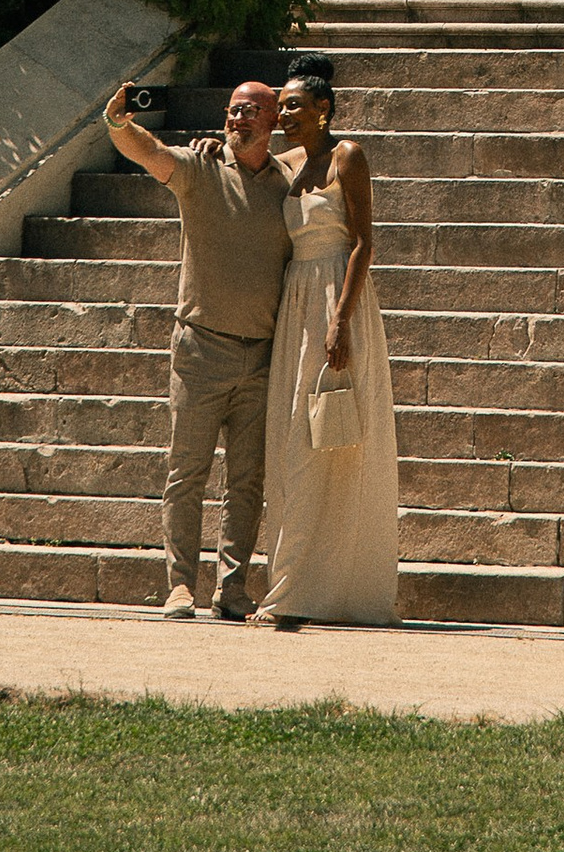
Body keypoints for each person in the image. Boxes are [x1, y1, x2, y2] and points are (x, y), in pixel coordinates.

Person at [102, 73, 287, 619]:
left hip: (262, 355)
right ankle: (180, 585)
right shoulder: (201, 168)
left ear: (273, 121)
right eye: (232, 110)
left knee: (247, 483)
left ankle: (232, 589)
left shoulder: (288, 182)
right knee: (187, 474)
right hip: (200, 349)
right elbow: (152, 152)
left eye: (251, 111)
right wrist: (118, 122)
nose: (237, 119)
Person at [255, 56, 401, 627]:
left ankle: (334, 589)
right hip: (296, 299)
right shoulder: (288, 163)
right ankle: (291, 583)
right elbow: (240, 163)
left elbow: (364, 241)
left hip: (339, 299)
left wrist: (340, 319)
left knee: (333, 443)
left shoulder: (348, 157)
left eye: (294, 105)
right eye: (281, 105)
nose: (284, 114)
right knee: (293, 437)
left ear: (324, 109)